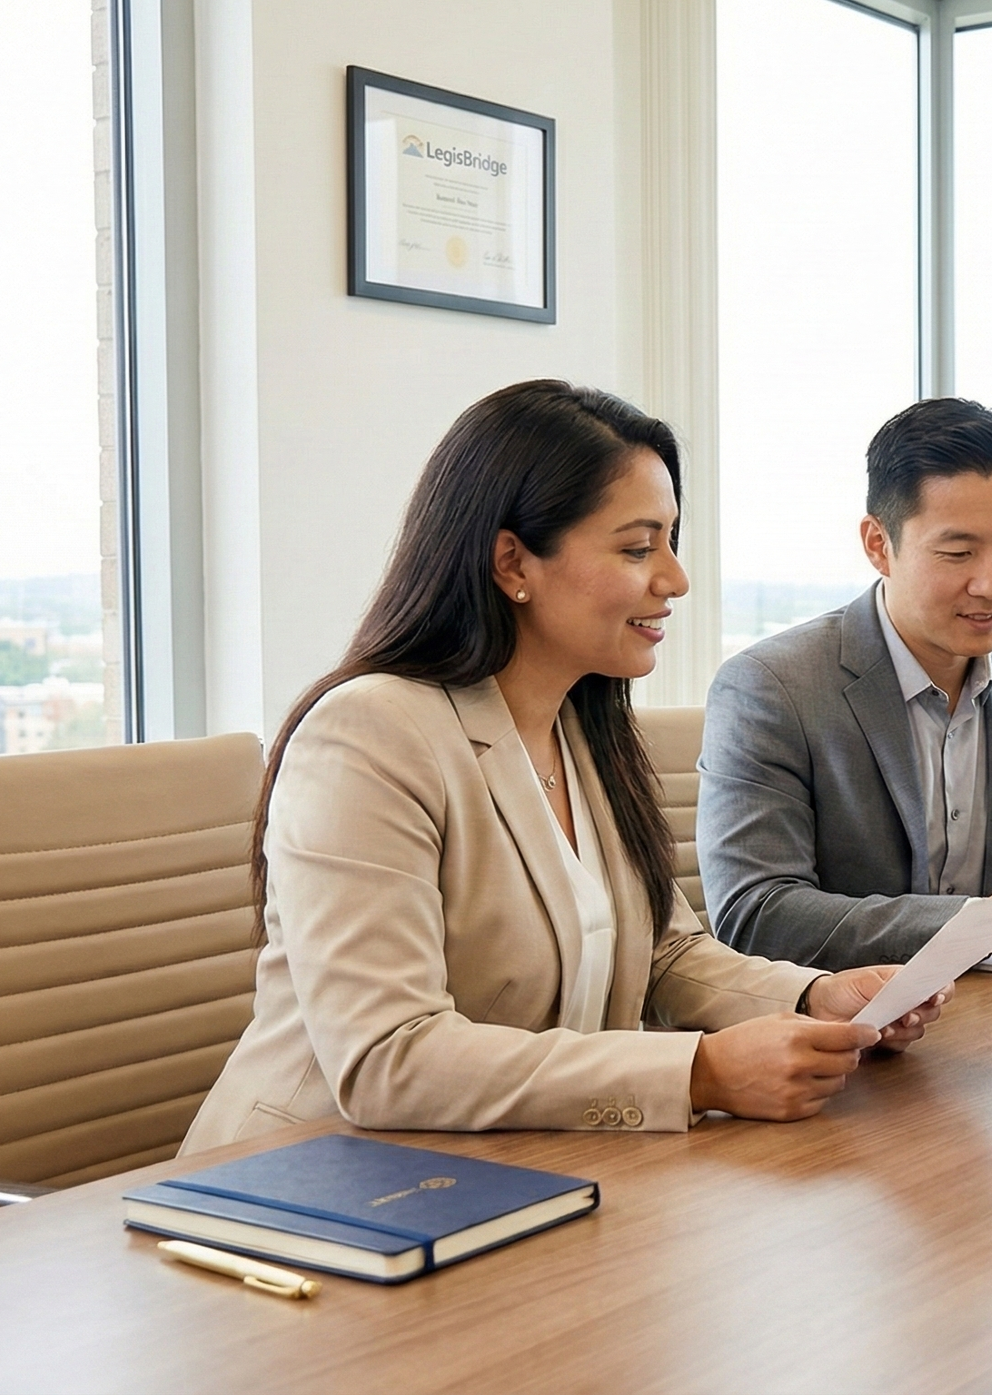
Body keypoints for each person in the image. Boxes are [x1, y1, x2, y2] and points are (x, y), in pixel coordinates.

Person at [185, 381, 941, 1152]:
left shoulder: (583, 726)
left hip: (507, 1166)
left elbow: (662, 950)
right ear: (512, 559)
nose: (674, 578)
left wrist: (815, 995)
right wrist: (696, 1072)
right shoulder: (369, 734)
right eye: (637, 546)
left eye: (671, 541)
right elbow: (389, 1055)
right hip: (303, 1184)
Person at [700, 397, 992, 970]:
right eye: (958, 553)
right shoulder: (772, 688)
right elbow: (756, 914)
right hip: (848, 1033)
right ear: (879, 545)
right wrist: (985, 925)